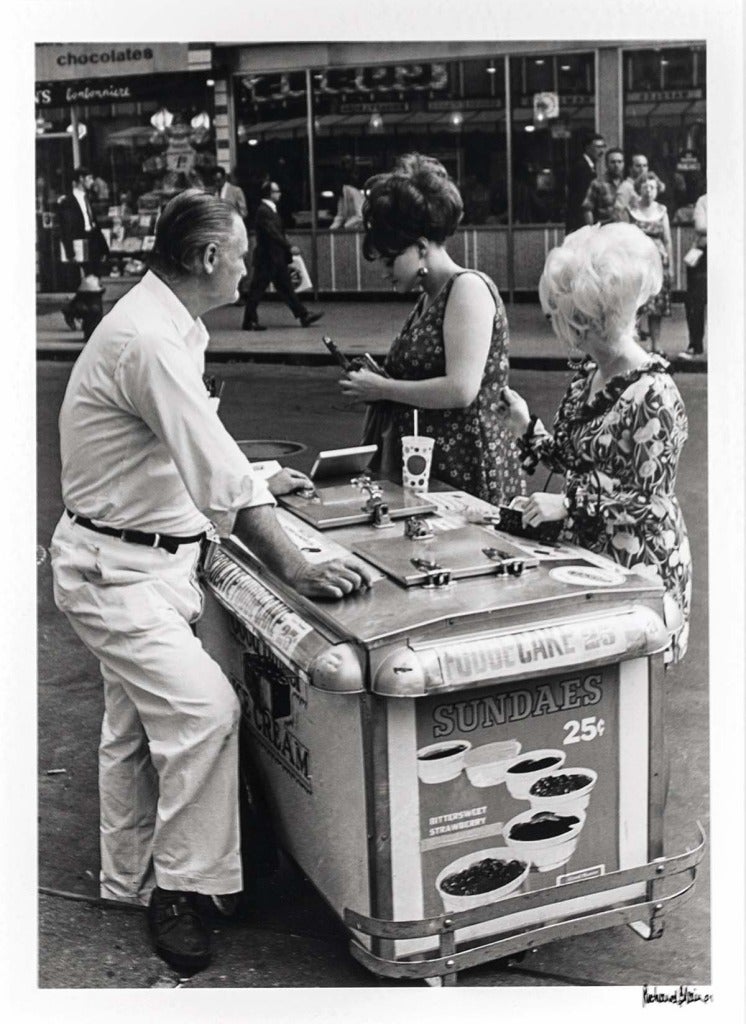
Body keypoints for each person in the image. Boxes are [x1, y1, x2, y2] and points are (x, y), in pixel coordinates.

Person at [49, 189, 371, 975]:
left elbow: (184, 451)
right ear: (206, 259)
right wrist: (296, 562)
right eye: (242, 253)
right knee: (204, 711)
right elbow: (212, 469)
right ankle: (182, 893)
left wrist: (260, 476)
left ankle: (129, 880)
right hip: (114, 572)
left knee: (132, 728)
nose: (250, 265)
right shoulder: (151, 339)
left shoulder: (171, 324)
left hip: (147, 559)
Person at [498, 223, 691, 663]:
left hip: (637, 566)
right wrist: (527, 426)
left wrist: (568, 506)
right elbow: (574, 459)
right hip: (589, 557)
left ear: (589, 321)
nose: (559, 328)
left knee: (629, 698)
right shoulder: (590, 374)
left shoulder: (654, 392)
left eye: (563, 318)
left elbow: (650, 502)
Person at [339, 153, 524, 507]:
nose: (384, 271)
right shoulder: (430, 297)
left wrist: (382, 388)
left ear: (421, 247)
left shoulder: (467, 288)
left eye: (391, 260)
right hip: (435, 463)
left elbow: (461, 389)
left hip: (466, 467)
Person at [242, 180, 323, 330]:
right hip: (268, 258)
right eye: (276, 191)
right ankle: (249, 320)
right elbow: (273, 232)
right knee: (258, 290)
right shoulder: (264, 211)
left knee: (285, 288)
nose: (279, 194)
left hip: (273, 258)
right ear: (270, 194)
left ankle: (303, 315)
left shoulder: (268, 210)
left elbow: (275, 232)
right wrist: (288, 246)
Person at [58, 166, 110, 332]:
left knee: (93, 278)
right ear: (80, 179)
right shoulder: (67, 201)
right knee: (90, 279)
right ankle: (87, 315)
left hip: (92, 240)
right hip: (80, 243)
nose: (92, 181)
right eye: (88, 178)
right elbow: (65, 228)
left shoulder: (88, 198)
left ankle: (72, 309)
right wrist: (70, 252)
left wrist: (103, 247)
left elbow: (93, 223)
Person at [627, 172, 672, 351]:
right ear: (639, 189)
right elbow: (626, 238)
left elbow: (667, 239)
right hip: (638, 261)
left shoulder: (662, 210)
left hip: (658, 263)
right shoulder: (633, 211)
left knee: (657, 305)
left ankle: (656, 345)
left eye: (652, 187)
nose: (649, 191)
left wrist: (670, 266)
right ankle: (633, 346)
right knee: (635, 305)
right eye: (645, 187)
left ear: (657, 189)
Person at [681, 191, 707, 359]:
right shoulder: (703, 200)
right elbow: (700, 226)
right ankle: (695, 344)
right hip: (703, 254)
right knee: (695, 300)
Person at [565, 133, 605, 234]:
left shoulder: (589, 166)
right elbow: (581, 198)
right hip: (580, 222)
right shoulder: (581, 167)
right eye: (598, 147)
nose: (602, 151)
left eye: (603, 147)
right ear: (587, 148)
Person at [614, 152, 666, 222]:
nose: (642, 169)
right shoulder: (626, 187)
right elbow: (619, 213)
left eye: (645, 166)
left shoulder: (649, 185)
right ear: (630, 168)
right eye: (638, 166)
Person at [582, 147, 625, 225]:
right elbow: (587, 209)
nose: (616, 165)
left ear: (623, 164)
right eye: (613, 162)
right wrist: (591, 230)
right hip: (604, 229)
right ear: (606, 164)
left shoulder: (627, 184)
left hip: (625, 230)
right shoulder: (597, 183)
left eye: (619, 162)